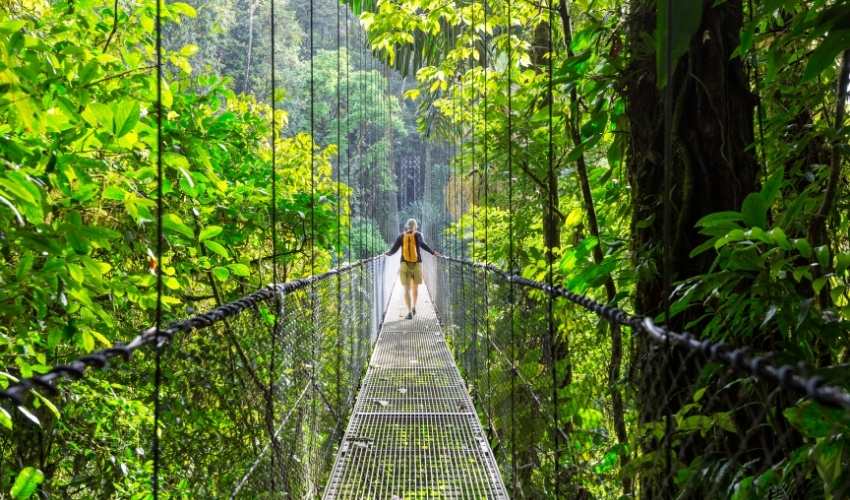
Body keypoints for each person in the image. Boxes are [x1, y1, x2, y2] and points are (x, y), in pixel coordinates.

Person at [385, 218, 439, 319]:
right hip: (417, 264)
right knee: (415, 287)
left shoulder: (401, 236)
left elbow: (394, 249)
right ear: (415, 226)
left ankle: (409, 311)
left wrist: (388, 253)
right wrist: (433, 252)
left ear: (407, 226)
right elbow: (423, 245)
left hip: (404, 264)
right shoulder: (418, 235)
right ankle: (414, 307)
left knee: (406, 289)